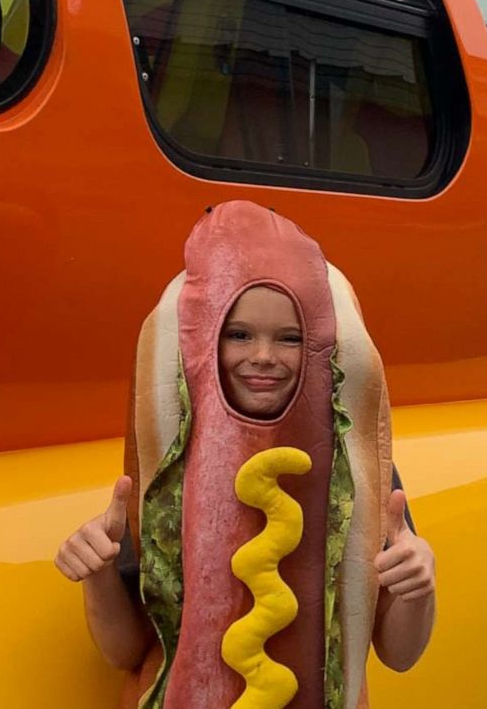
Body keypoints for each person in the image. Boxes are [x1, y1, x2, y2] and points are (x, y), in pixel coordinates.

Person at [55, 202, 435, 707]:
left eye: (291, 338)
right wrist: (99, 574)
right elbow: (125, 649)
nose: (262, 357)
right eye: (237, 334)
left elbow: (400, 652)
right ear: (202, 345)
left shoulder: (358, 470)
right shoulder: (164, 461)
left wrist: (418, 584)